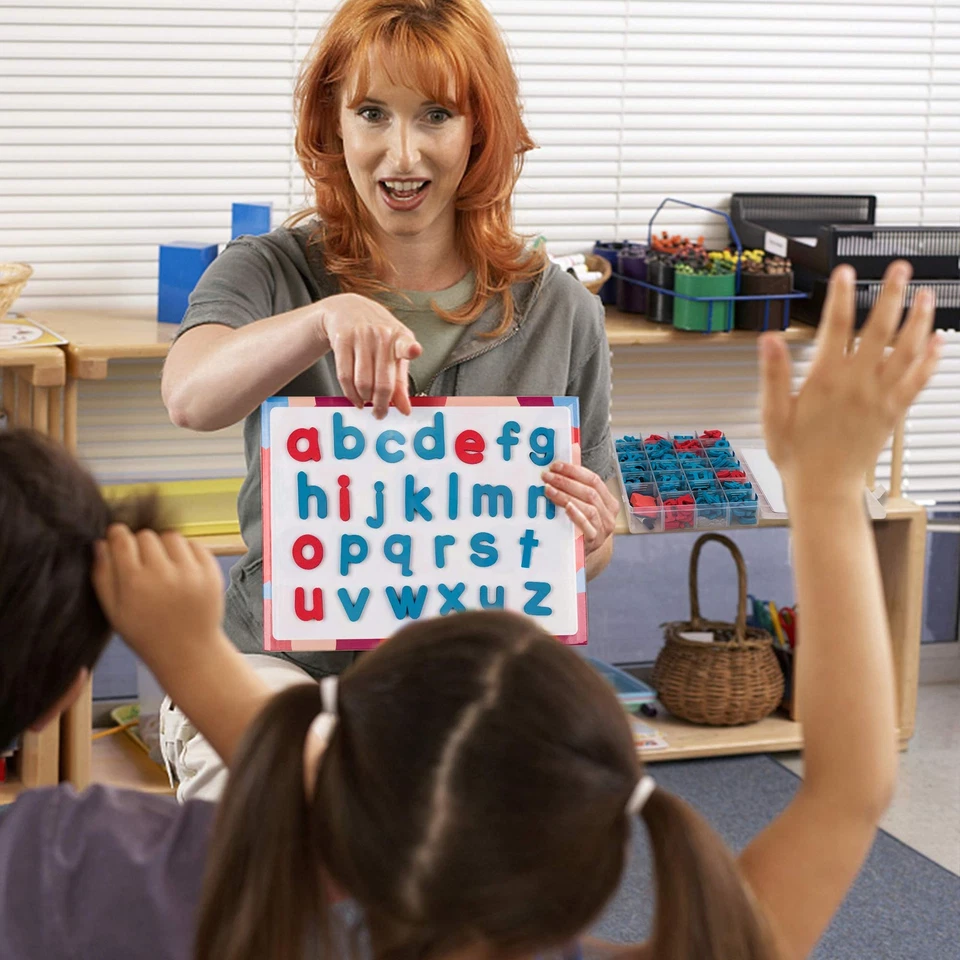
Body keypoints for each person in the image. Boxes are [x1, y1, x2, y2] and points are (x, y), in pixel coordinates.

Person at [0, 262, 940, 960]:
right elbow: (851, 791)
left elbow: (299, 774)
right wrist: (827, 489)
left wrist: (186, 654)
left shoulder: (94, 873)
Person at [159, 0, 622, 801]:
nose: (400, 154)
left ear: (479, 129)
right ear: (332, 124)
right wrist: (321, 320)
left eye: (435, 115)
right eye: (371, 113)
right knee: (280, 802)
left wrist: (585, 536)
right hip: (280, 667)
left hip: (471, 681)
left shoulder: (561, 308)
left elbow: (597, 531)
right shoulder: (266, 269)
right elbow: (191, 397)